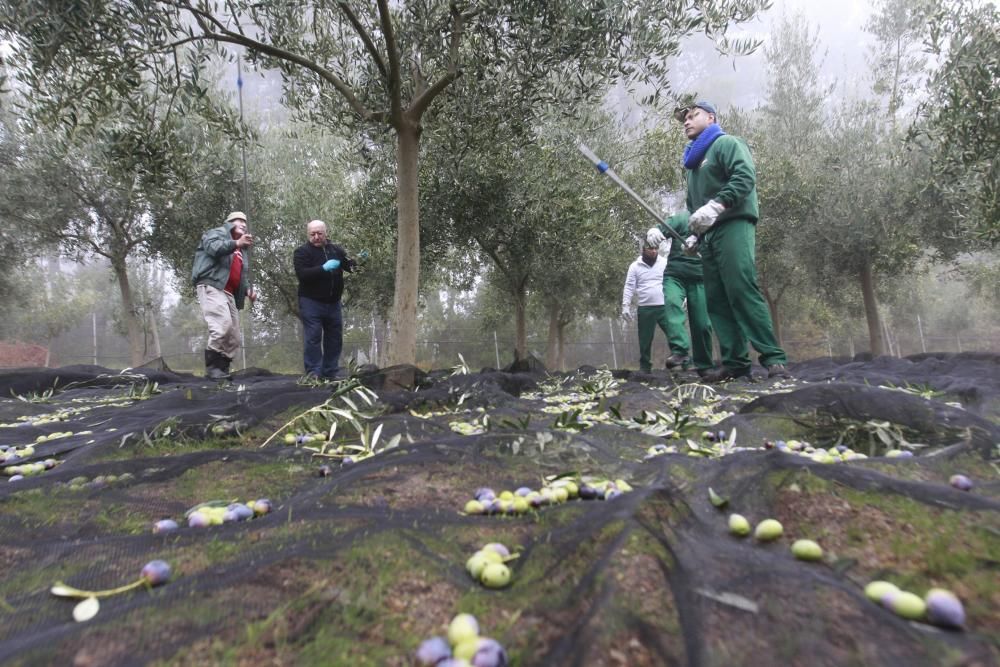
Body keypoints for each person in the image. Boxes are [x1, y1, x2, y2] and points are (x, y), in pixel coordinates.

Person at [670, 100, 789, 381]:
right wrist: (694, 235)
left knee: (740, 287)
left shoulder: (727, 144)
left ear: (711, 117)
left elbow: (744, 176)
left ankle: (774, 359)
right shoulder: (693, 166)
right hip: (709, 236)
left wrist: (717, 206)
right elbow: (692, 206)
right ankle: (735, 363)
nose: (686, 121)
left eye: (692, 115)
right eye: (683, 119)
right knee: (716, 299)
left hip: (733, 223)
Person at [645, 211, 714, 376]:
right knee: (672, 304)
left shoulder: (714, 219)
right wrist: (653, 232)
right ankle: (680, 351)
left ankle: (704, 365)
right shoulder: (682, 219)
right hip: (675, 276)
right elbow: (662, 228)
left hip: (701, 278)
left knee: (702, 323)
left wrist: (701, 241)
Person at [192, 211, 256, 380]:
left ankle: (222, 369)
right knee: (222, 326)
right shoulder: (216, 233)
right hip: (212, 285)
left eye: (245, 222)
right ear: (229, 223)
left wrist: (247, 290)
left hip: (229, 293)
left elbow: (240, 274)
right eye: (239, 221)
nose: (243, 224)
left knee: (234, 337)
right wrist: (236, 242)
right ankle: (212, 368)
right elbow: (213, 249)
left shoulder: (242, 250)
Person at [293, 219, 356, 379]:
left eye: (319, 233)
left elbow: (351, 267)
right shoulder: (302, 252)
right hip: (311, 302)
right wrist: (323, 268)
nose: (316, 237)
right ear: (308, 234)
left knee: (334, 338)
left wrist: (358, 262)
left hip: (333, 303)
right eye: (312, 234)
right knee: (313, 336)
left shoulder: (336, 250)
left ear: (325, 233)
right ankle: (314, 372)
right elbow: (303, 275)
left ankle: (330, 371)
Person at [621, 239, 670, 373]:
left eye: (656, 248)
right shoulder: (635, 266)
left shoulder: (665, 263)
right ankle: (645, 367)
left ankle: (682, 363)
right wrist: (625, 306)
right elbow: (629, 286)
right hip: (645, 307)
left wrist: (681, 299)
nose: (654, 251)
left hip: (664, 306)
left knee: (674, 334)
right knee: (645, 340)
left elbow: (672, 280)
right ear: (643, 249)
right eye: (650, 249)